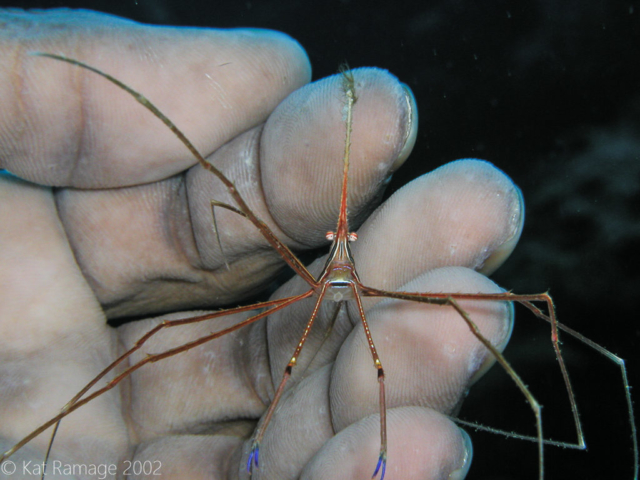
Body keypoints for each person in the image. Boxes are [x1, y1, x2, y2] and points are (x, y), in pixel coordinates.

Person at [0, 9, 523, 480]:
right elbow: (228, 194)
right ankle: (32, 439)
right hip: (323, 284)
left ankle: (395, 454)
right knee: (177, 327)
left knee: (422, 338)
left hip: (354, 284)